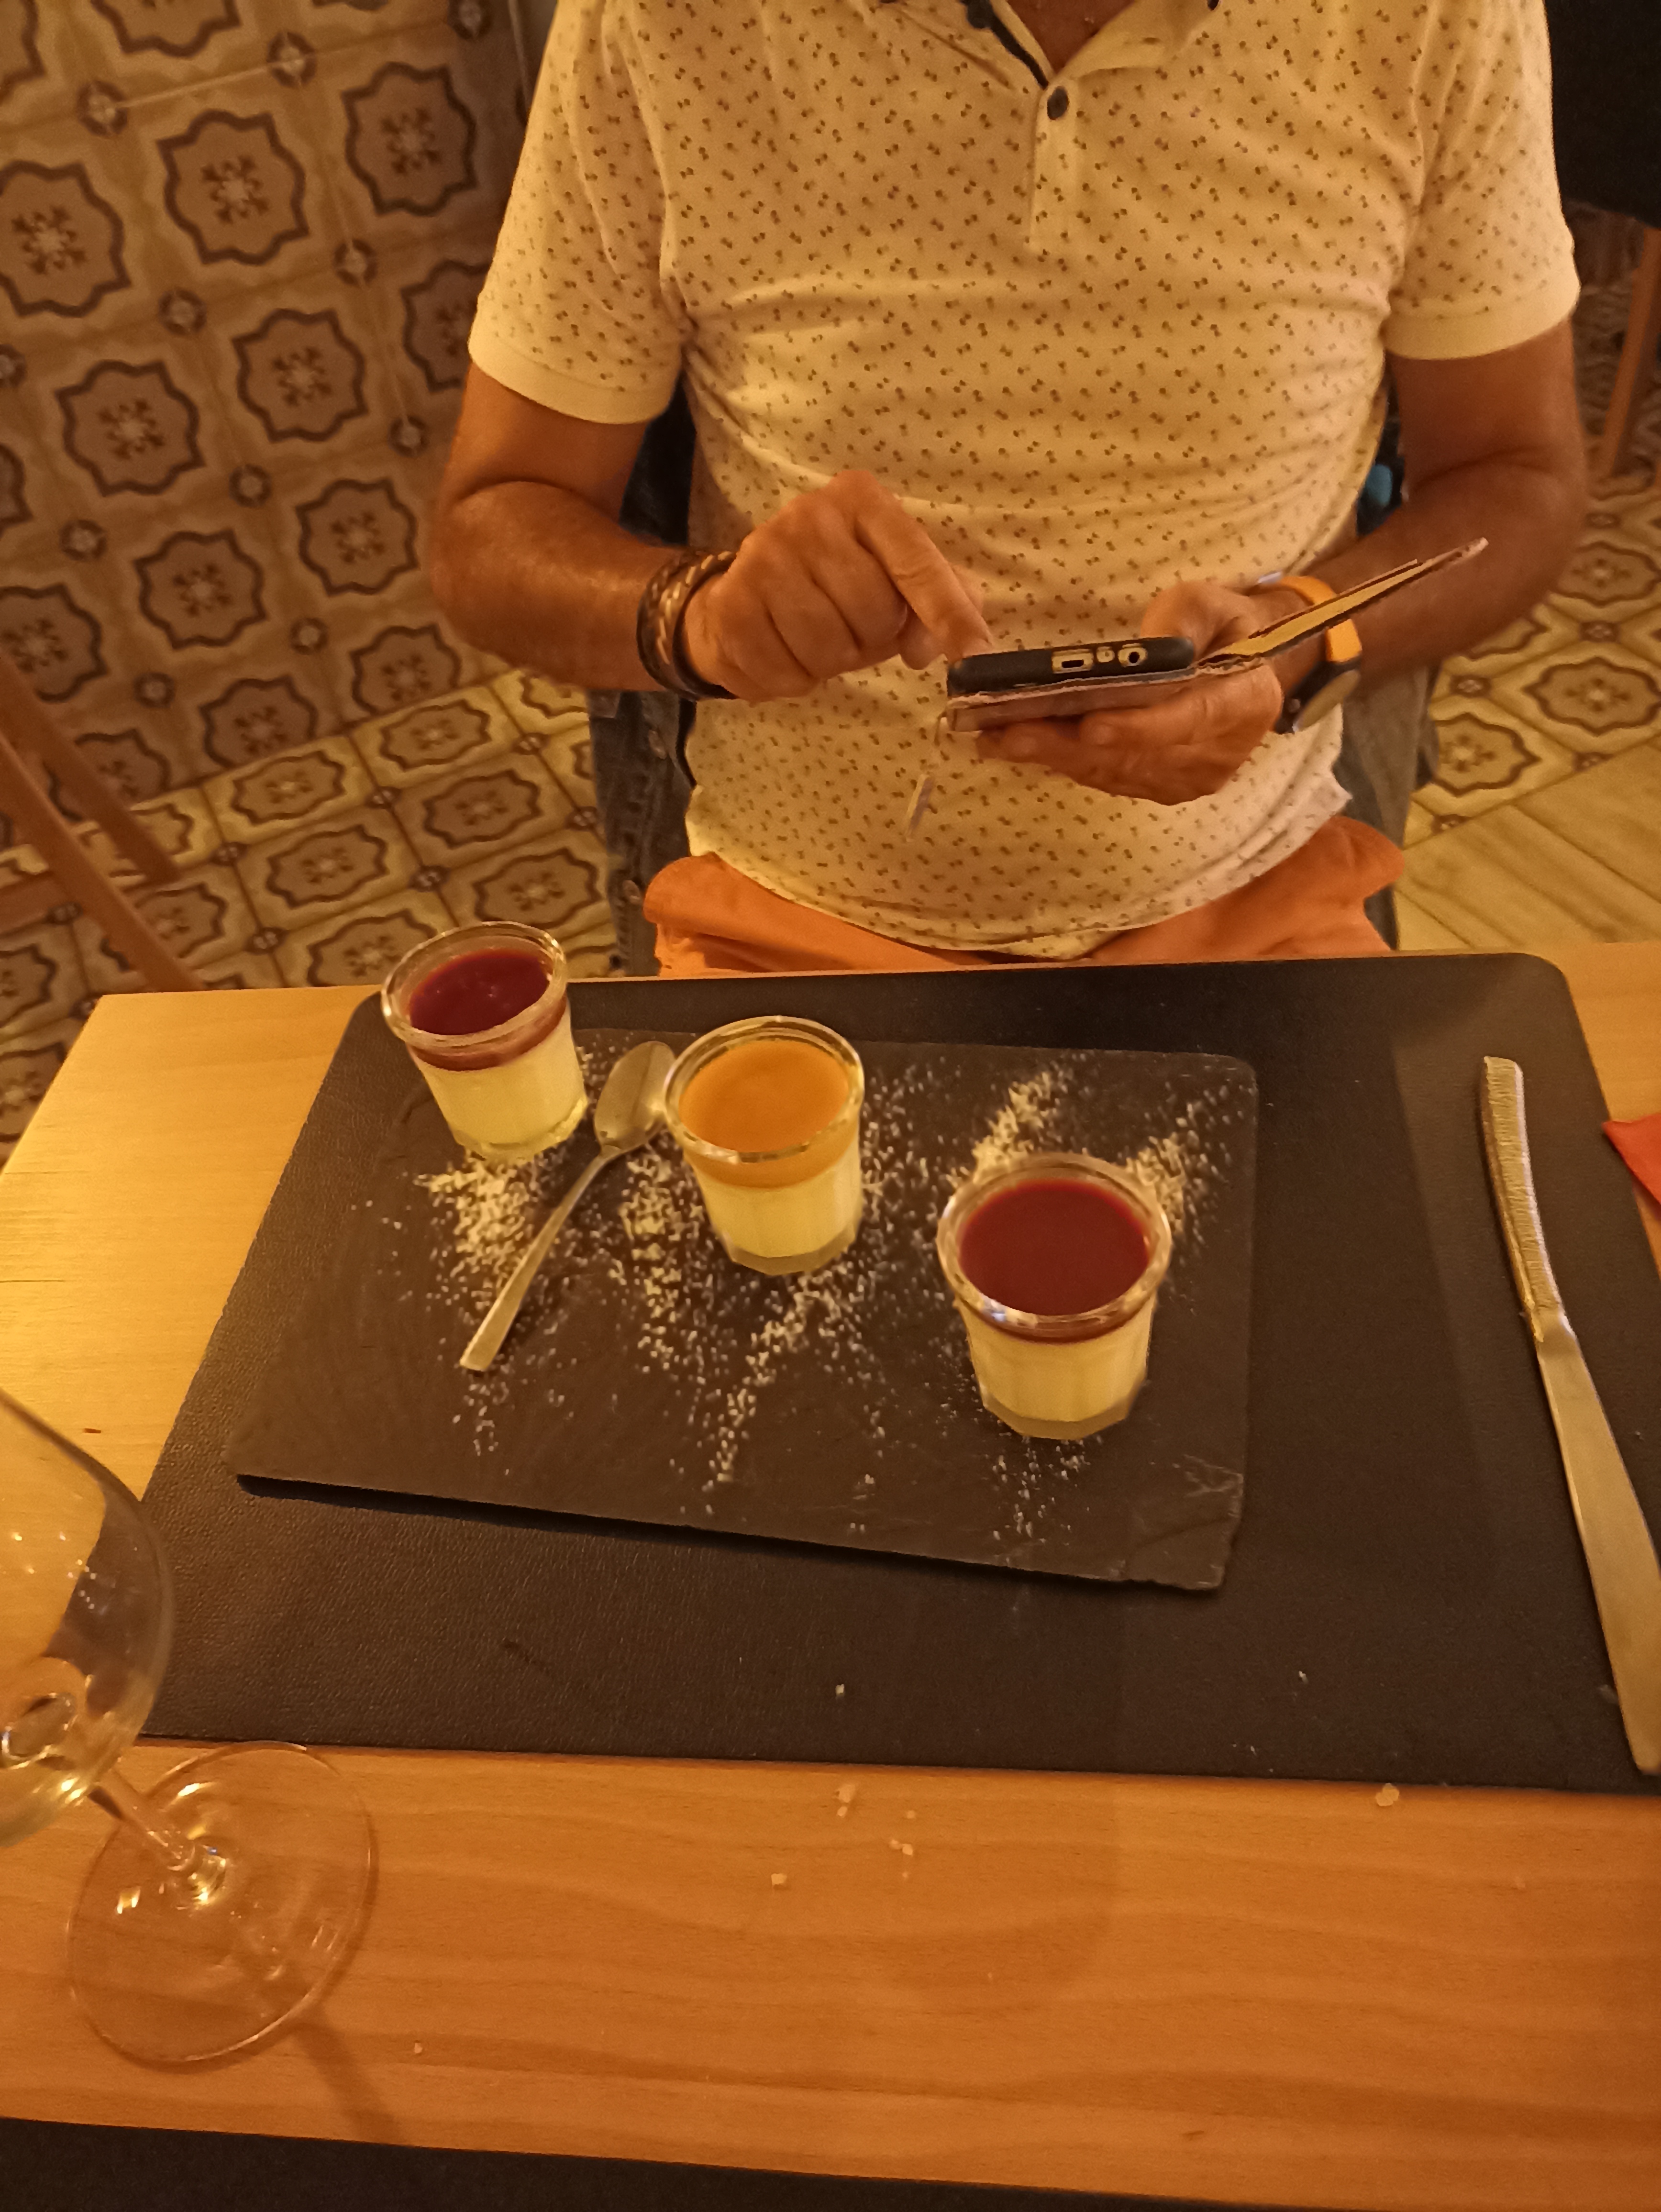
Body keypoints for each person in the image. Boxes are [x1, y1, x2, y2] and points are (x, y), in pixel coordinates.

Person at [431, 0, 1587, 976]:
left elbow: (1515, 477)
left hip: (1256, 898)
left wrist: (1295, 643)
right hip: (795, 923)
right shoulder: (664, 24)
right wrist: (703, 616)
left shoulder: (1431, 18)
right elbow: (491, 526)